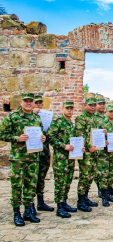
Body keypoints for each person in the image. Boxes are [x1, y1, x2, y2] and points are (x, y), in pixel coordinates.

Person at [0, 93, 46, 226]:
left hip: (33, 157)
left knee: (30, 186)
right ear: (21, 102)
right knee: (16, 186)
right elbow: (2, 133)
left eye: (30, 101)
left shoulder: (36, 118)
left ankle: (28, 211)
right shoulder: (13, 117)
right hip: (19, 159)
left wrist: (42, 138)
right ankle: (16, 213)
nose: (28, 103)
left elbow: (41, 133)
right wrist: (17, 138)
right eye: (26, 101)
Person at [48, 101, 85, 218]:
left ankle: (64, 202)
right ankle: (59, 207)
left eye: (71, 108)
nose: (69, 110)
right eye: (67, 108)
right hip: (60, 158)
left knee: (67, 182)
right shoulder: (57, 122)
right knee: (60, 183)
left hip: (70, 158)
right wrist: (63, 146)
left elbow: (74, 139)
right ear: (62, 109)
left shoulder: (71, 123)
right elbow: (50, 137)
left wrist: (81, 147)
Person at [75, 97, 99, 212]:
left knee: (91, 175)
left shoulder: (94, 117)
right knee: (84, 176)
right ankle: (80, 201)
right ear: (85, 105)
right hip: (86, 152)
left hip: (95, 151)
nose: (93, 107)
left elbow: (96, 133)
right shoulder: (81, 118)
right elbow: (80, 134)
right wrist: (89, 146)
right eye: (90, 105)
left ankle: (85, 197)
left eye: (94, 105)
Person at [94, 98, 113, 199]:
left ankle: (109, 190)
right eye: (110, 111)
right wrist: (103, 138)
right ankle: (104, 194)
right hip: (103, 154)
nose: (112, 113)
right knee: (103, 173)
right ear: (106, 112)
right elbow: (95, 136)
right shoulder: (100, 123)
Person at [33, 94, 54, 213]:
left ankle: (40, 202)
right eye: (36, 103)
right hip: (31, 153)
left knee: (41, 178)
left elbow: (51, 135)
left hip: (44, 152)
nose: (39, 105)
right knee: (30, 179)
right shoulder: (26, 118)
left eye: (40, 103)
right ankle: (29, 205)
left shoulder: (46, 117)